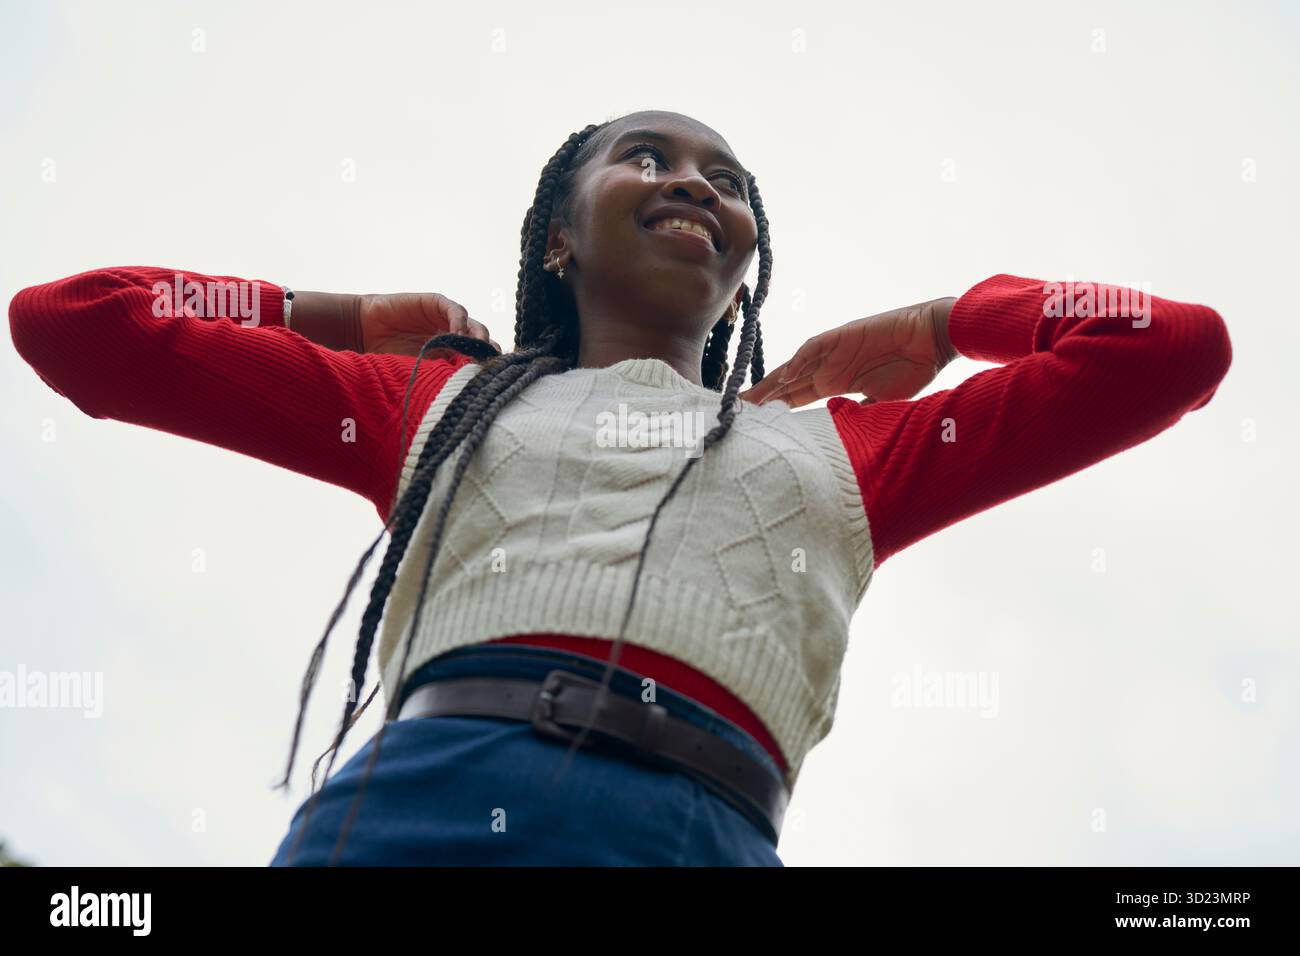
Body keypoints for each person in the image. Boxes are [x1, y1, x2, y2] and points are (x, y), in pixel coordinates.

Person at [6, 110, 1233, 866]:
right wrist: (331, 315)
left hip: (703, 833)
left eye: (728, 177)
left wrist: (948, 318)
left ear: (746, 268)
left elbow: (1170, 349)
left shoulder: (853, 455)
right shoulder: (431, 405)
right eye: (646, 156)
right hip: (419, 813)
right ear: (558, 237)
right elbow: (78, 326)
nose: (697, 182)